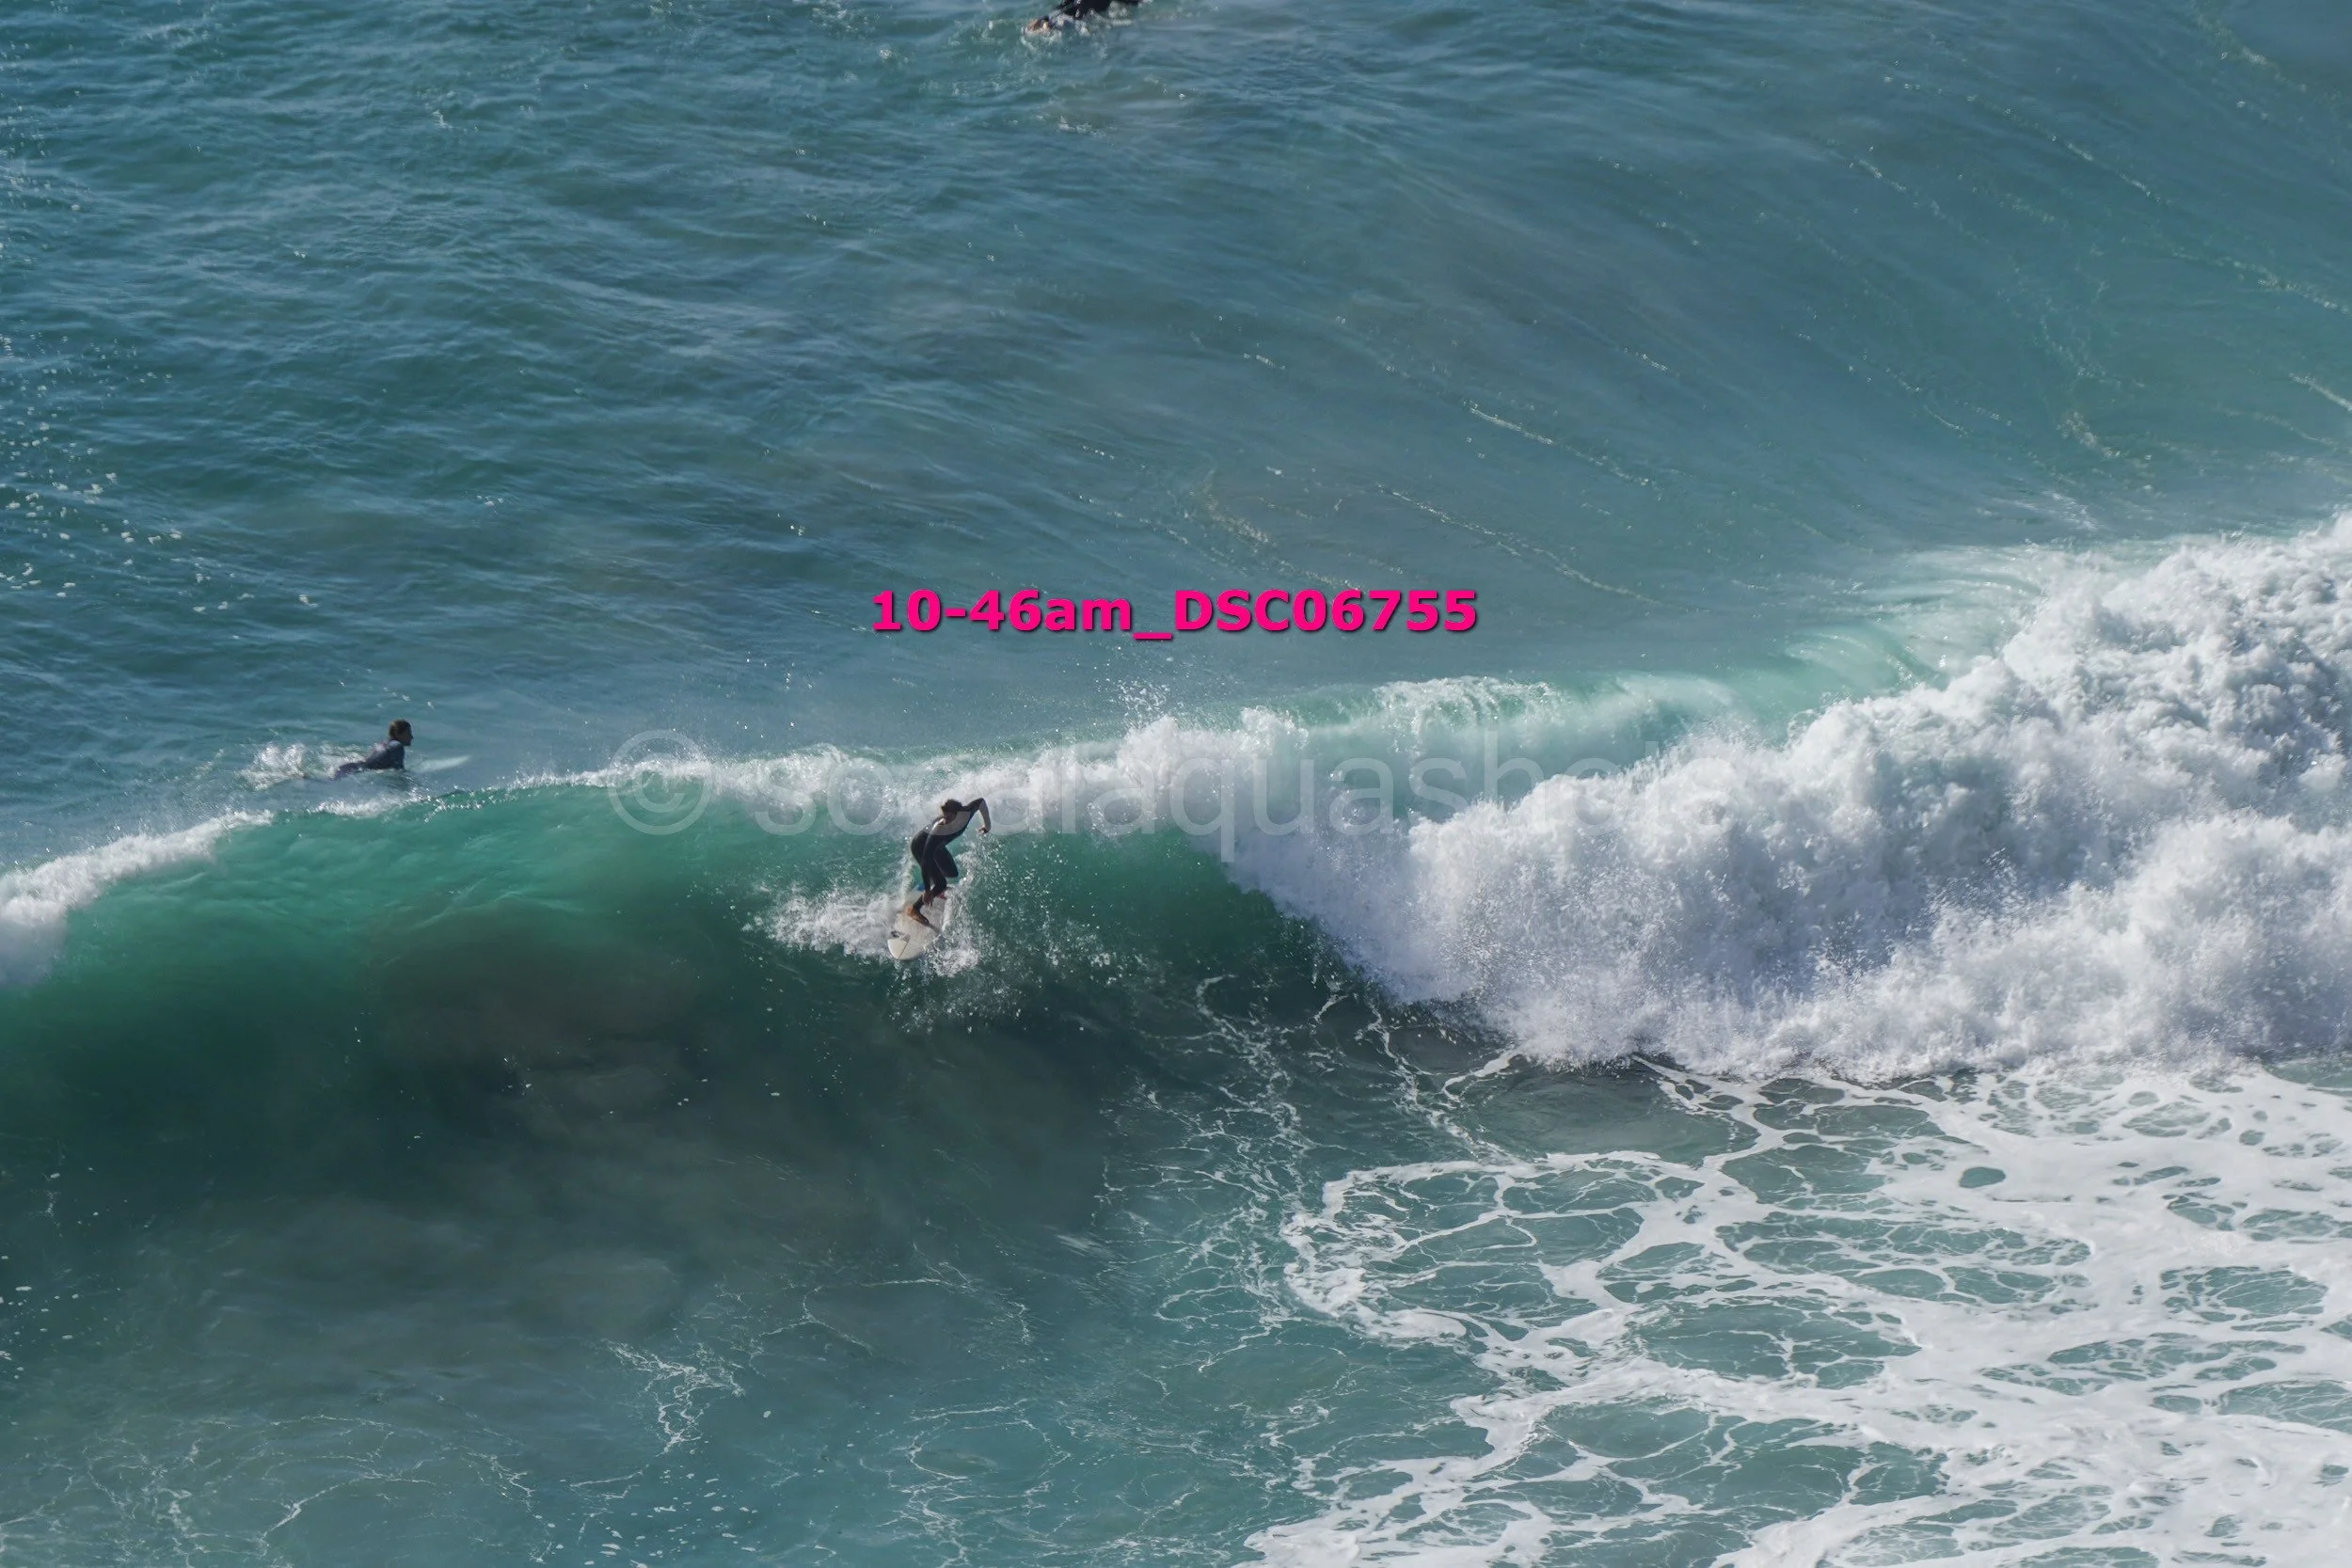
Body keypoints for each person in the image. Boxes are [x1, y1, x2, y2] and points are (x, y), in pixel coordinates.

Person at [905, 797, 990, 928]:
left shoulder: (966, 814)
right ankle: (914, 909)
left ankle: (935, 882)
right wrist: (927, 890)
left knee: (952, 872)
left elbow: (981, 802)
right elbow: (926, 859)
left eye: (949, 817)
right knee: (941, 884)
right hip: (921, 847)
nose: (944, 820)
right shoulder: (939, 830)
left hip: (937, 847)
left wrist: (987, 825)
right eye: (944, 816)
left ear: (958, 815)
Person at [333, 720, 413, 778]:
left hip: (349, 767)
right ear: (398, 734)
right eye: (408, 733)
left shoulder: (383, 744)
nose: (411, 737)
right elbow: (398, 772)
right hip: (359, 772)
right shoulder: (398, 746)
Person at [1026, 0, 1141, 35]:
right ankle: (1047, 25)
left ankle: (1044, 21)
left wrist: (1046, 17)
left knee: (1064, 14)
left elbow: (1063, 6)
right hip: (1084, 16)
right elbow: (1132, 2)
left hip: (1076, 7)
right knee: (1072, 21)